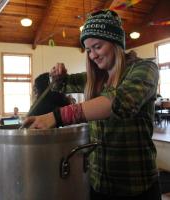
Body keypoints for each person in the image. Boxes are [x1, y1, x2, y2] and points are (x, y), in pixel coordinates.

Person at [24, 10, 161, 200]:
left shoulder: (145, 68)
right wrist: (57, 76)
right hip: (98, 183)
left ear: (116, 43)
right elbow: (62, 84)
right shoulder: (95, 77)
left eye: (97, 46)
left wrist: (56, 117)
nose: (92, 56)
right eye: (88, 50)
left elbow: (120, 102)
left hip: (136, 185)